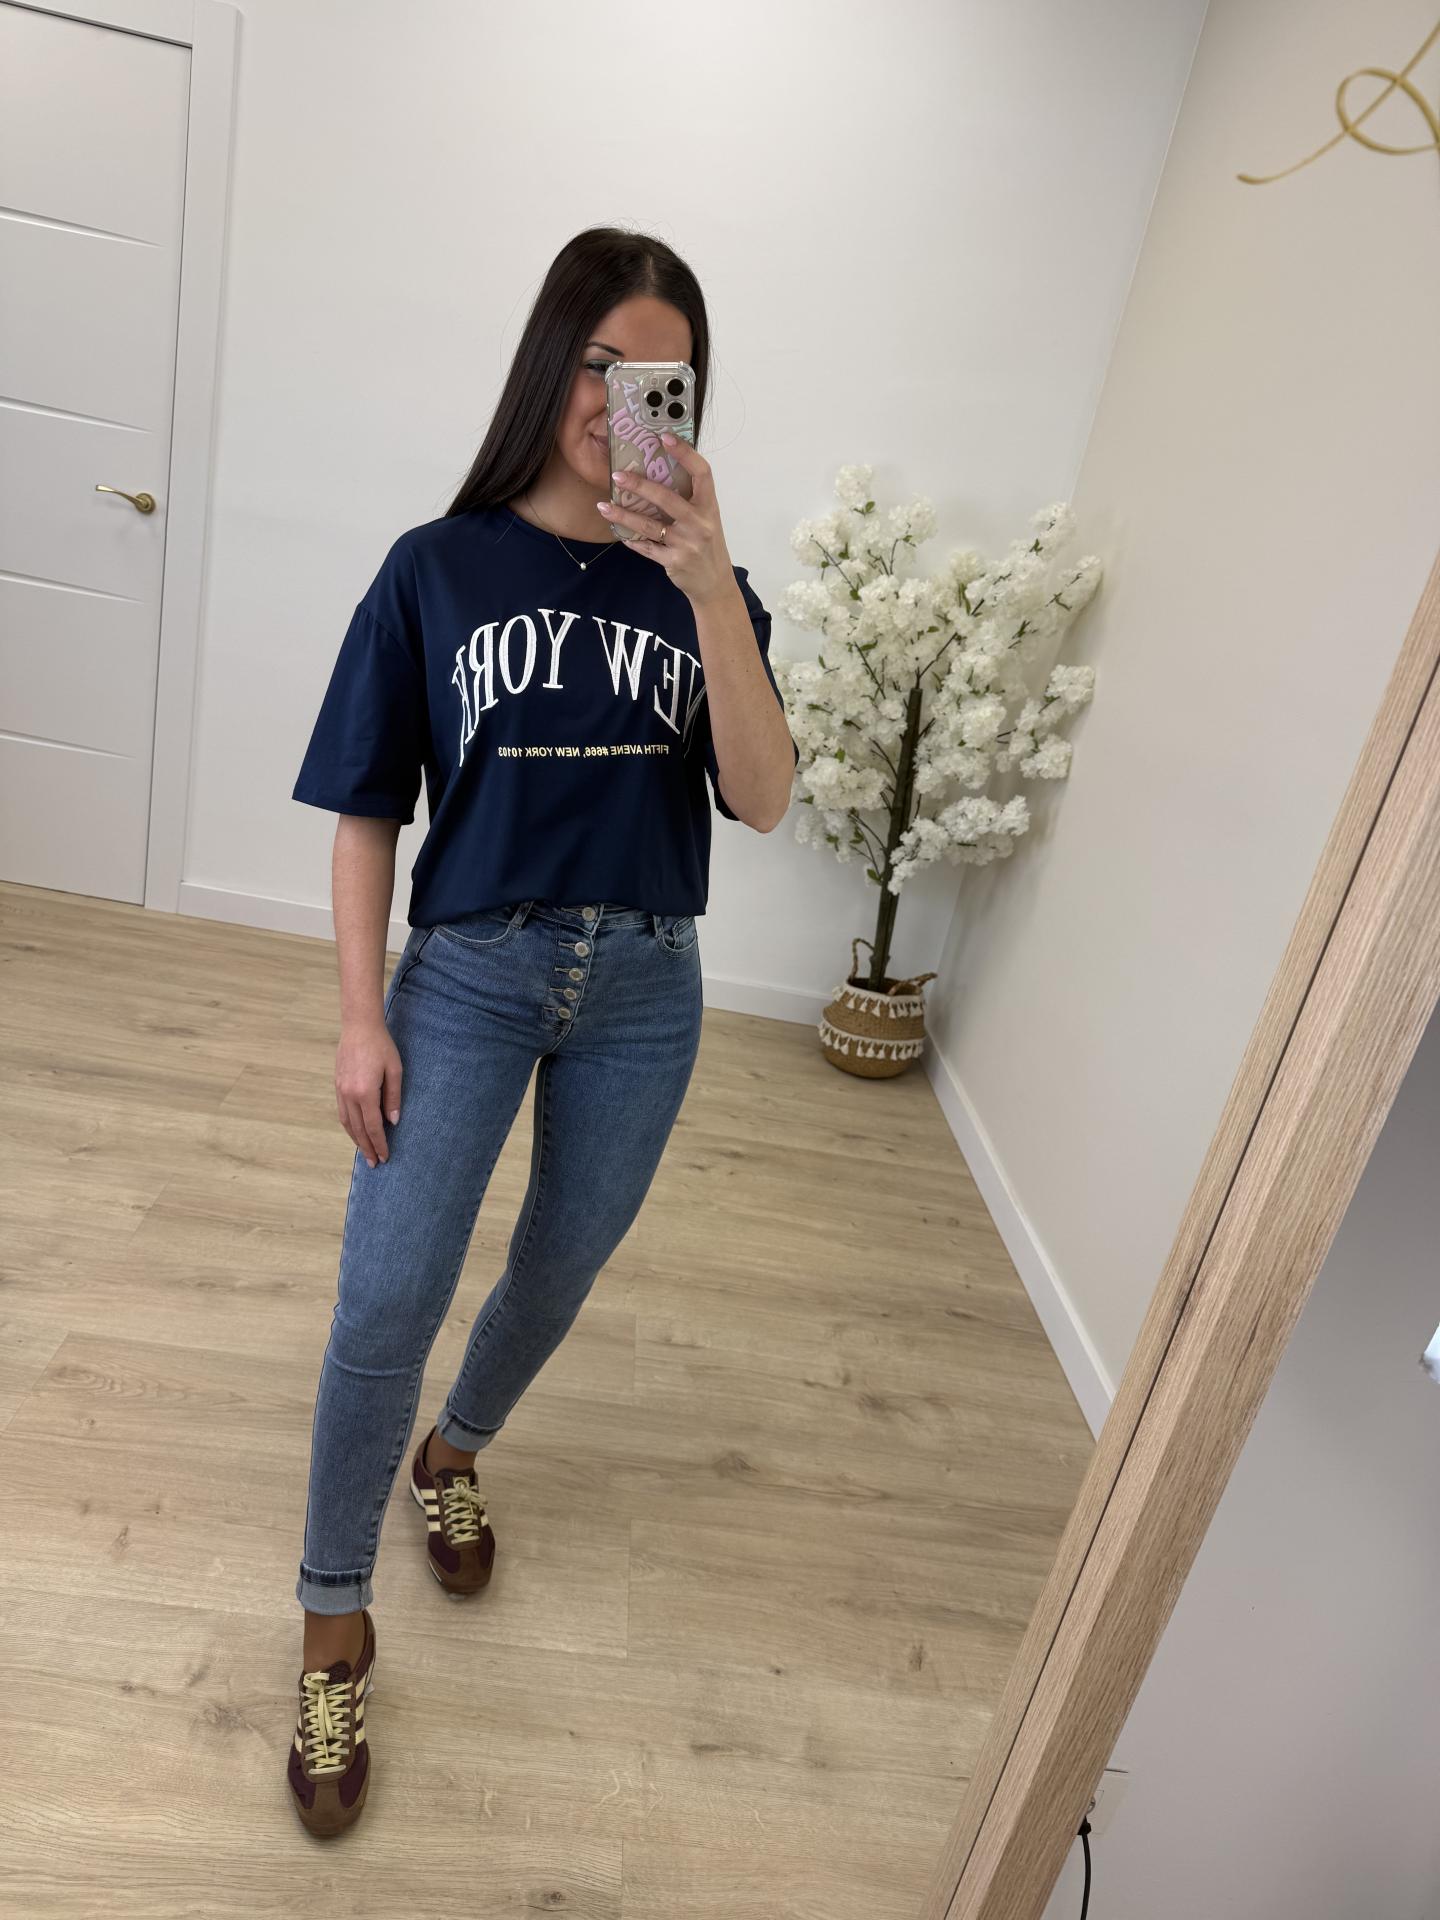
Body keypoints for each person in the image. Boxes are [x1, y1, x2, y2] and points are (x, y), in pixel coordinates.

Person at [283, 226, 799, 1835]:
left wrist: (709, 583)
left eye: (658, 380)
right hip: (472, 973)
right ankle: (333, 1621)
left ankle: (454, 1453)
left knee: (560, 1268)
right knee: (389, 1293)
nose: (616, 402)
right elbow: (368, 808)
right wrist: (359, 1017)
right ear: (547, 363)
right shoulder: (436, 568)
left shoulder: (708, 589)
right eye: (597, 364)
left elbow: (765, 799)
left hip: (647, 986)